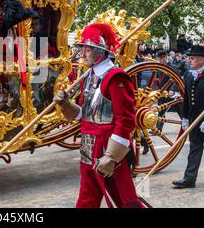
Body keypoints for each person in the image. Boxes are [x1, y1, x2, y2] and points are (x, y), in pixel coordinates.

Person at [54, 23, 143, 208]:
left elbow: (125, 121)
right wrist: (66, 105)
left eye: (89, 49)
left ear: (100, 51)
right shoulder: (88, 76)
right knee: (87, 199)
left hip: (108, 148)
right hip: (88, 146)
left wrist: (111, 156)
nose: (83, 54)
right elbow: (84, 115)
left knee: (124, 201)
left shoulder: (115, 77)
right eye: (83, 49)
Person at [172, 45, 204, 189]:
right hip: (194, 120)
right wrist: (185, 117)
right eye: (189, 57)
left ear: (202, 60)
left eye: (192, 58)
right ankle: (189, 179)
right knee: (194, 149)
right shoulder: (188, 75)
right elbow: (186, 99)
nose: (189, 60)